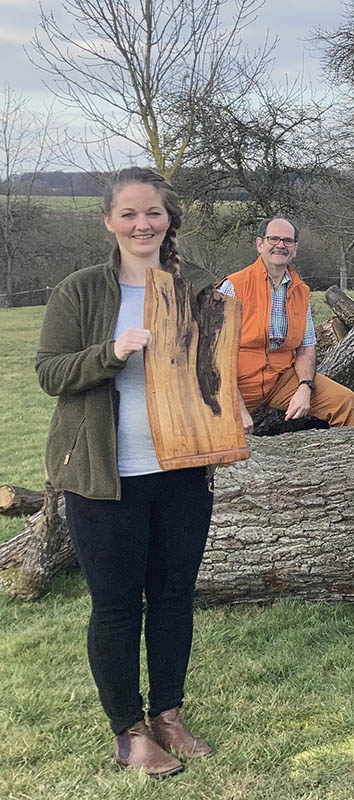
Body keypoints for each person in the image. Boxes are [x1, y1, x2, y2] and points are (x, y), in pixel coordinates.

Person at [35, 167, 214, 777]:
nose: (143, 224)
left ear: (170, 220)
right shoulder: (79, 292)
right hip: (104, 477)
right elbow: (50, 372)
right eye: (130, 214)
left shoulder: (192, 290)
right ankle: (129, 730)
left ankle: (167, 713)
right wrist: (110, 354)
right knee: (116, 606)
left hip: (182, 472)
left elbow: (211, 378)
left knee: (172, 599)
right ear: (109, 221)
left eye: (154, 213)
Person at [218, 218, 354, 431]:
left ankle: (348, 463)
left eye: (287, 240)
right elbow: (213, 355)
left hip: (279, 380)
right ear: (260, 244)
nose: (280, 245)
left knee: (344, 401)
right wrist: (236, 405)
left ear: (295, 248)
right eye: (273, 239)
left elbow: (306, 347)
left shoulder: (301, 291)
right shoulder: (233, 287)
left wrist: (304, 387)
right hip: (235, 383)